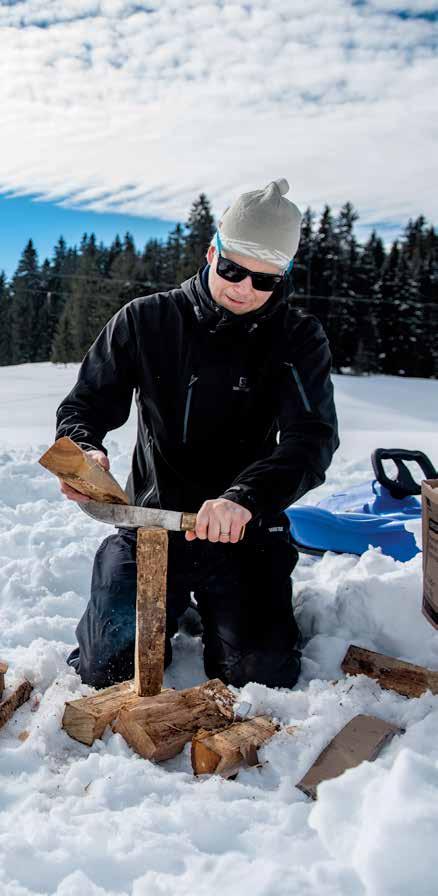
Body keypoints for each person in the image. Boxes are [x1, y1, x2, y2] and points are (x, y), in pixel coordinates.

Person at [57, 178, 339, 690]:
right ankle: (176, 602)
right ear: (212, 251)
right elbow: (85, 407)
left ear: (284, 276)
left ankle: (221, 609)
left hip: (245, 529)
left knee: (260, 676)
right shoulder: (145, 321)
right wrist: (84, 451)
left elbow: (311, 437)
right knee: (108, 672)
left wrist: (245, 498)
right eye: (232, 270)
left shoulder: (297, 337)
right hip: (153, 526)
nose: (243, 289)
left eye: (265, 281)